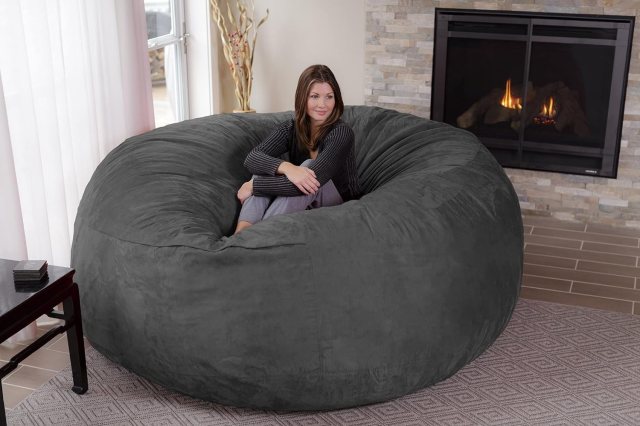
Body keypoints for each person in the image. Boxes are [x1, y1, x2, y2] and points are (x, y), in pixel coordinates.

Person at [234, 64, 359, 234]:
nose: (322, 104)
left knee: (307, 168)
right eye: (314, 96)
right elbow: (253, 158)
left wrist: (254, 186)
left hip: (340, 207)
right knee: (267, 168)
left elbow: (307, 184)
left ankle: (261, 235)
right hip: (303, 200)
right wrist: (287, 168)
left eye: (329, 97)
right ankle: (242, 232)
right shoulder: (291, 128)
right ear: (303, 98)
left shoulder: (342, 133)